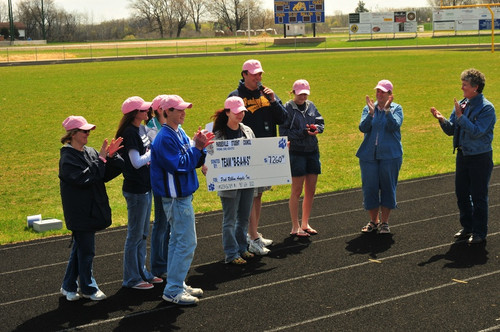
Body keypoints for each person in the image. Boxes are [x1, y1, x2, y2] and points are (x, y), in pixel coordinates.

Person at [150, 95, 214, 305]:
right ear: (166, 112)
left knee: (177, 242)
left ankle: (177, 283)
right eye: (179, 110)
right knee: (186, 243)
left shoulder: (178, 132)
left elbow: (191, 160)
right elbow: (179, 165)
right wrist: (197, 148)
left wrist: (201, 148)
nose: (183, 112)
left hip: (182, 196)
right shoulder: (165, 137)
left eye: (184, 109)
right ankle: (173, 289)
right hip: (176, 198)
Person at [59, 115, 124, 301]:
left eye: (89, 130)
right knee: (86, 250)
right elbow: (83, 179)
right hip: (79, 212)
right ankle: (88, 287)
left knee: (80, 249)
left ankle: (69, 285)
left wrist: (111, 158)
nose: (88, 134)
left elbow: (103, 175)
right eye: (84, 131)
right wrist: (102, 159)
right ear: (72, 134)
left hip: (92, 209)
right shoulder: (67, 158)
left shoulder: (90, 152)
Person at [228, 59, 287, 255]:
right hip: (247, 153)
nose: (258, 77)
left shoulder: (268, 94)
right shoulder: (236, 97)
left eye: (260, 74)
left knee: (258, 195)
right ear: (244, 74)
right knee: (250, 195)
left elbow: (283, 118)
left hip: (266, 152)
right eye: (254, 74)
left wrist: (273, 101)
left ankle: (253, 233)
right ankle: (251, 237)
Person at [430, 68, 496, 245]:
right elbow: (453, 130)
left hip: (479, 158)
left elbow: (477, 132)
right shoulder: (462, 104)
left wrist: (460, 116)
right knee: (461, 194)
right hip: (463, 156)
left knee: (478, 195)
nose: (462, 88)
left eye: (465, 85)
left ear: (475, 87)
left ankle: (480, 232)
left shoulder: (487, 109)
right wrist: (442, 119)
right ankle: (467, 227)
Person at [116, 96, 163, 290]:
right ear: (134, 113)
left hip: (145, 187)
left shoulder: (141, 129)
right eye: (143, 110)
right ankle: (131, 278)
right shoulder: (129, 133)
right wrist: (154, 152)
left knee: (143, 234)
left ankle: (142, 272)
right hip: (136, 190)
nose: (146, 112)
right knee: (135, 236)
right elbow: (136, 162)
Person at [210, 96, 257, 264]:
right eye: (237, 112)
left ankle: (242, 248)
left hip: (247, 181)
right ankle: (231, 254)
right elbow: (210, 157)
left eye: (242, 112)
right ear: (228, 112)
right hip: (228, 183)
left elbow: (257, 153)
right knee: (229, 220)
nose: (240, 115)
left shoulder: (247, 130)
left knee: (244, 217)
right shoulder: (217, 135)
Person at [356, 80, 403, 234]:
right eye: (378, 91)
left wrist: (387, 111)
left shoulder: (397, 109)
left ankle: (385, 222)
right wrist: (370, 114)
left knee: (388, 187)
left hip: (390, 155)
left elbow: (394, 126)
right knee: (370, 188)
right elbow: (363, 127)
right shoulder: (369, 108)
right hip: (369, 155)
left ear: (390, 95)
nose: (379, 94)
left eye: (383, 92)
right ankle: (373, 221)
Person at [279, 79, 324, 237]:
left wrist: (317, 129)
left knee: (310, 190)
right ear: (293, 93)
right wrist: (302, 133)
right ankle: (294, 226)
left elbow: (320, 121)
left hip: (312, 151)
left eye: (305, 94)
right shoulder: (287, 109)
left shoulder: (311, 106)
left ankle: (305, 223)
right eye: (300, 94)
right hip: (296, 153)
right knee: (296, 191)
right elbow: (283, 133)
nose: (303, 97)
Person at [148, 95, 171, 278]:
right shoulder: (151, 129)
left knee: (170, 224)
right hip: (161, 182)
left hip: (173, 182)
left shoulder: (172, 126)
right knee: (161, 223)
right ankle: (158, 266)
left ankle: (168, 262)